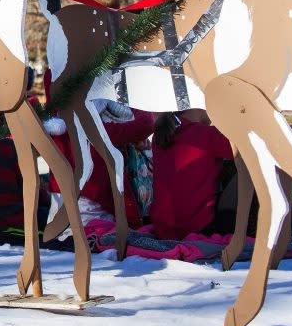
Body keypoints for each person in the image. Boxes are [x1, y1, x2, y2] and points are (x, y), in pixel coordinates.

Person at [49, 102, 156, 227]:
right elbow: (145, 124)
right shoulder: (85, 118)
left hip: (80, 201)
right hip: (88, 208)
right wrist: (136, 105)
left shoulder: (64, 114)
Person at [149, 108, 234, 239]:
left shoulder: (160, 135)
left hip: (162, 228)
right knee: (242, 175)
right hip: (197, 228)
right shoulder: (207, 134)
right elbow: (246, 148)